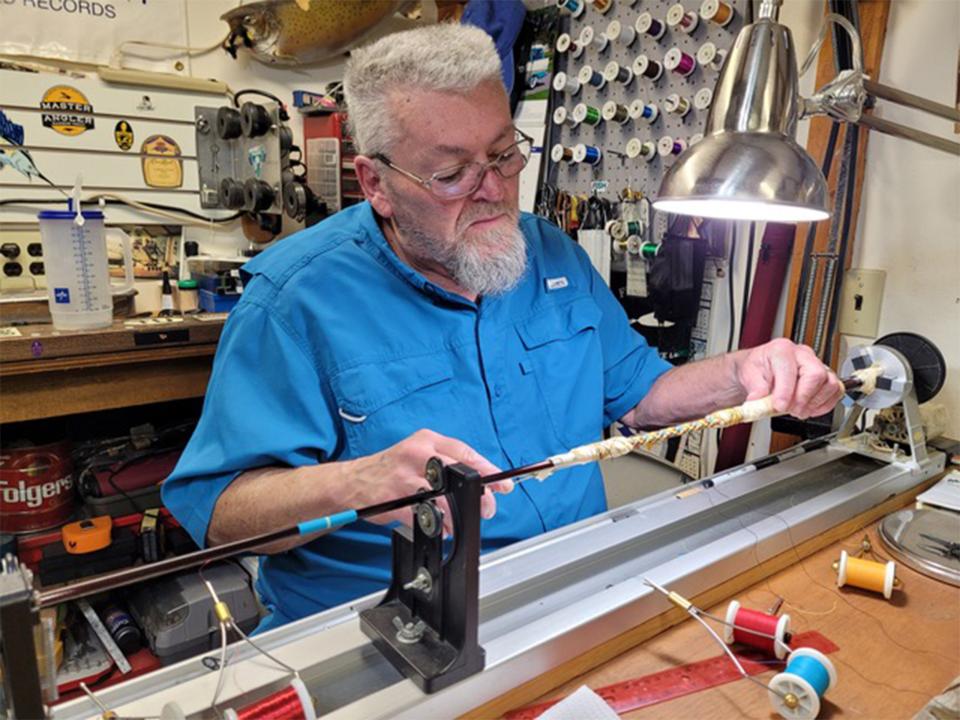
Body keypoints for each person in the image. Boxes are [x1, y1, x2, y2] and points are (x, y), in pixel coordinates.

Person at [162, 24, 844, 632]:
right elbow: (220, 512)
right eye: (452, 172)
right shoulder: (294, 301)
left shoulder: (551, 255)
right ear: (375, 183)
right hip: (384, 630)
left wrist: (744, 369)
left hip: (571, 597)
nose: (491, 188)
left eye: (503, 155)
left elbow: (641, 394)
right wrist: (356, 484)